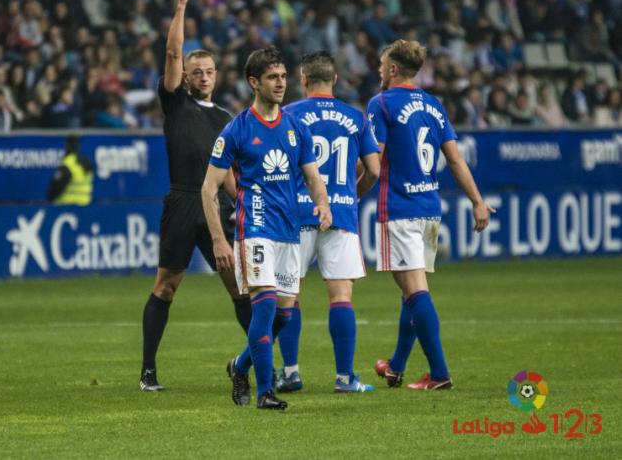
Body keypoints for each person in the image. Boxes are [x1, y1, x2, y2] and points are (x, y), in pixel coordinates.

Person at [201, 46, 331, 410]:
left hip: (289, 230)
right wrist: (218, 241)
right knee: (265, 307)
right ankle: (264, 393)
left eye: (284, 77)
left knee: (283, 317)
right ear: (253, 82)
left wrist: (322, 202)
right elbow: (208, 188)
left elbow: (312, 176)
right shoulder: (237, 129)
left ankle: (239, 366)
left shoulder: (295, 128)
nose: (280, 83)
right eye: (272, 77)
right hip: (254, 228)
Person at [139, 0, 250, 392]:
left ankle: (252, 363)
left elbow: (230, 176)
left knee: (239, 286)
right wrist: (181, 5)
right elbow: (171, 51)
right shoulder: (176, 102)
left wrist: (244, 204)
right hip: (184, 201)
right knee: (167, 286)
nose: (202, 76)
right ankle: (148, 370)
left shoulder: (226, 118)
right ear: (184, 76)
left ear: (216, 76)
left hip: (217, 209)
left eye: (208, 71)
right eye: (195, 71)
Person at [367, 39, 493, 390]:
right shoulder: (434, 105)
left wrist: (347, 189)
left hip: (401, 208)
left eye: (381, 64)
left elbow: (374, 160)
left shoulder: (381, 104)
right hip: (429, 209)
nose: (378, 70)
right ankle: (395, 365)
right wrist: (477, 201)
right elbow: (454, 158)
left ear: (393, 69)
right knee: (409, 290)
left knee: (415, 290)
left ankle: (439, 374)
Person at [275, 51, 380, 394]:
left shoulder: (287, 114)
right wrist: (352, 195)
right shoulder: (356, 117)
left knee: (289, 294)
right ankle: (345, 378)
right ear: (335, 80)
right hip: (341, 214)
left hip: (297, 214)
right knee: (341, 296)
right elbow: (375, 170)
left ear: (302, 79)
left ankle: (291, 372)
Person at [47, 135, 93, 205]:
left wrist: (50, 198)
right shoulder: (87, 161)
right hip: (84, 206)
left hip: (66, 206)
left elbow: (57, 187)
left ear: (67, 145)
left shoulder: (68, 163)